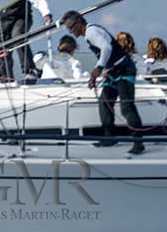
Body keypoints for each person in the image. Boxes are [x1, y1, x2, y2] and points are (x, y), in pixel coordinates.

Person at [61, 11, 144, 155]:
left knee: (126, 107)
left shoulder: (91, 32)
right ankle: (110, 138)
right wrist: (101, 71)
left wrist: (98, 68)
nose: (70, 31)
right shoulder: (89, 34)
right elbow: (107, 54)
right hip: (113, 71)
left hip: (125, 70)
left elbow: (106, 48)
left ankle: (139, 143)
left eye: (71, 27)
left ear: (79, 23)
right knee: (104, 102)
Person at [0, 0, 53, 85]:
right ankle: (6, 80)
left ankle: (30, 71)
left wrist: (46, 14)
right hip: (3, 22)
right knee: (1, 47)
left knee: (18, 37)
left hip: (21, 19)